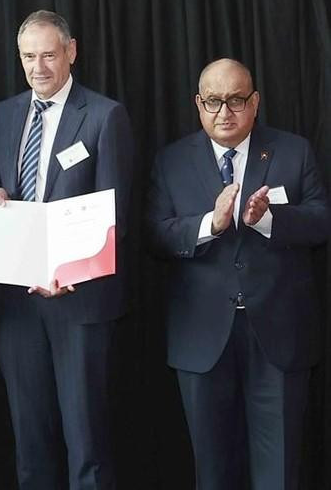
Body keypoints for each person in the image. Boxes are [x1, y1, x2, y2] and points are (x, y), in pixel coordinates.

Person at [146, 58, 330, 490]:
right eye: (213, 101)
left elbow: (321, 220)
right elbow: (153, 235)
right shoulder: (171, 161)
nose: (224, 112)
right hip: (201, 338)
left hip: (279, 338)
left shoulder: (293, 150)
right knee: (212, 472)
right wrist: (211, 224)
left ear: (255, 102)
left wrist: (268, 221)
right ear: (198, 103)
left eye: (235, 100)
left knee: (279, 471)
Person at [0, 10, 133, 489]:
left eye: (48, 54)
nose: (38, 67)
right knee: (30, 442)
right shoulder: (5, 113)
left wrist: (69, 272)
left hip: (78, 303)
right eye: (28, 56)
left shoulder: (106, 115)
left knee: (86, 443)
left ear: (71, 52)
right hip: (18, 304)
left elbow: (116, 216)